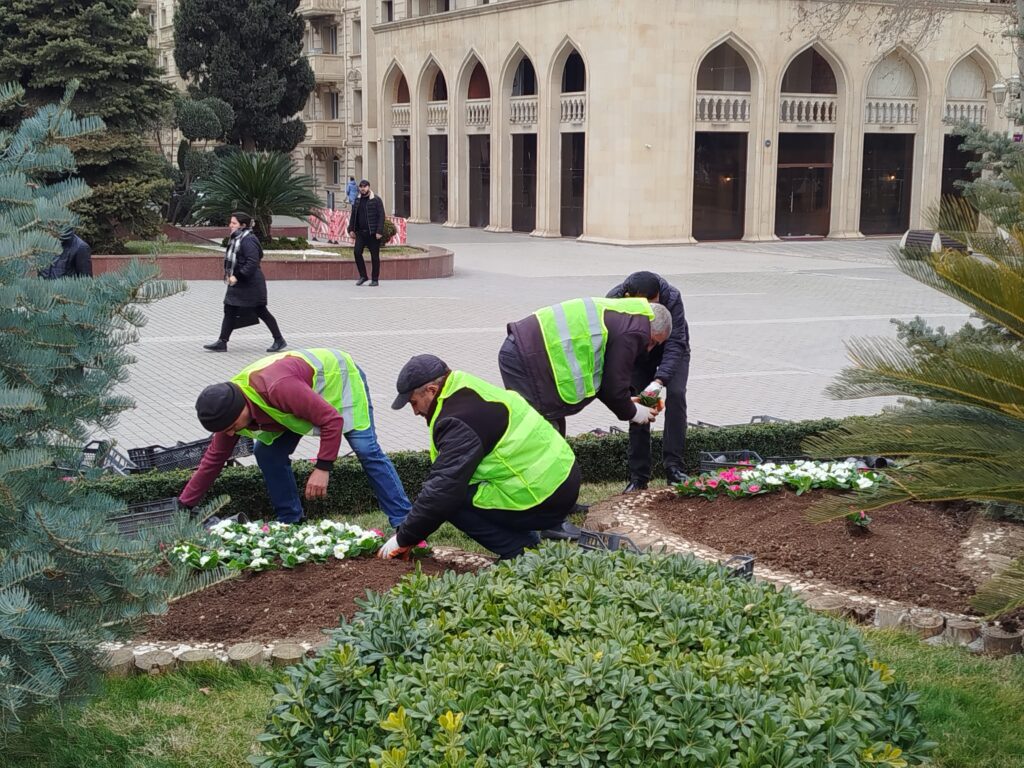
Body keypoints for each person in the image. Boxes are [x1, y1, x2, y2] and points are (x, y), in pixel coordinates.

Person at [379, 354, 581, 560]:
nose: (414, 412)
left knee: (450, 500)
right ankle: (527, 544)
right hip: (561, 475)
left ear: (431, 390)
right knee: (453, 491)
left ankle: (519, 552)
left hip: (544, 496)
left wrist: (403, 538)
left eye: (414, 402)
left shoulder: (458, 420)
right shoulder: (462, 386)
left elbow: (442, 491)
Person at [179, 347, 412, 526]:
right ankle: (291, 521)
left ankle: (404, 522)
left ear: (241, 408)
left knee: (366, 450)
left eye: (232, 426)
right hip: (297, 400)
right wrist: (184, 505)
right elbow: (213, 460)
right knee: (267, 453)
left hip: (338, 381)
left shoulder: (277, 388)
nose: (231, 433)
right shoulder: (230, 409)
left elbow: (331, 420)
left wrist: (323, 467)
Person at [498, 297, 673, 435]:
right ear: (652, 329)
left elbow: (606, 381)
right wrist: (634, 412)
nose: (649, 348)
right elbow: (613, 388)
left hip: (526, 354)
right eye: (653, 342)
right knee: (539, 434)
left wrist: (627, 402)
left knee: (550, 430)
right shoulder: (636, 330)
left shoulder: (626, 314)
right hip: (525, 358)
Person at [607, 271, 692, 490]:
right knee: (639, 401)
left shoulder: (672, 297)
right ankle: (639, 477)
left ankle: (674, 468)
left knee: (676, 395)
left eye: (654, 303)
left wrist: (660, 380)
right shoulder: (615, 300)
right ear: (628, 296)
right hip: (638, 353)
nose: (650, 310)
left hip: (671, 347)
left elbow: (675, 343)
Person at [203, 212, 286, 353]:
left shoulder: (248, 240)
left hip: (251, 283)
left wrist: (237, 276)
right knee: (229, 309)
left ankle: (279, 340)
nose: (230, 225)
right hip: (239, 283)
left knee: (261, 311)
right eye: (231, 222)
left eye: (234, 223)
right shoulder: (236, 239)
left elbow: (252, 262)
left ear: (243, 225)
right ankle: (222, 342)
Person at [347, 179, 386, 287]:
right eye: (361, 187)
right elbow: (353, 215)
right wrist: (351, 229)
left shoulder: (376, 200)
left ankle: (375, 279)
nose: (363, 189)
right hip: (360, 233)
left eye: (364, 187)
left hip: (373, 234)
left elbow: (381, 216)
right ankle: (363, 276)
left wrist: (379, 231)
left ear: (368, 187)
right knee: (357, 252)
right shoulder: (357, 200)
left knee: (374, 256)